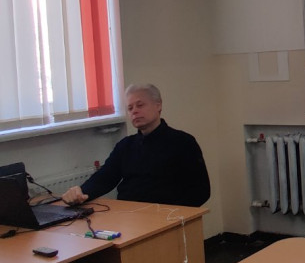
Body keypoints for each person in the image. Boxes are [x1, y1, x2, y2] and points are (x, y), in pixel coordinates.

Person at [62, 84, 210, 207]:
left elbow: (201, 191)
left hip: (166, 218)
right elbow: (105, 178)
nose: (135, 111)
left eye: (140, 105)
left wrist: (169, 214)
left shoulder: (183, 142)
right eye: (130, 108)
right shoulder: (125, 146)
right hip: (128, 216)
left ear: (158, 106)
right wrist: (80, 192)